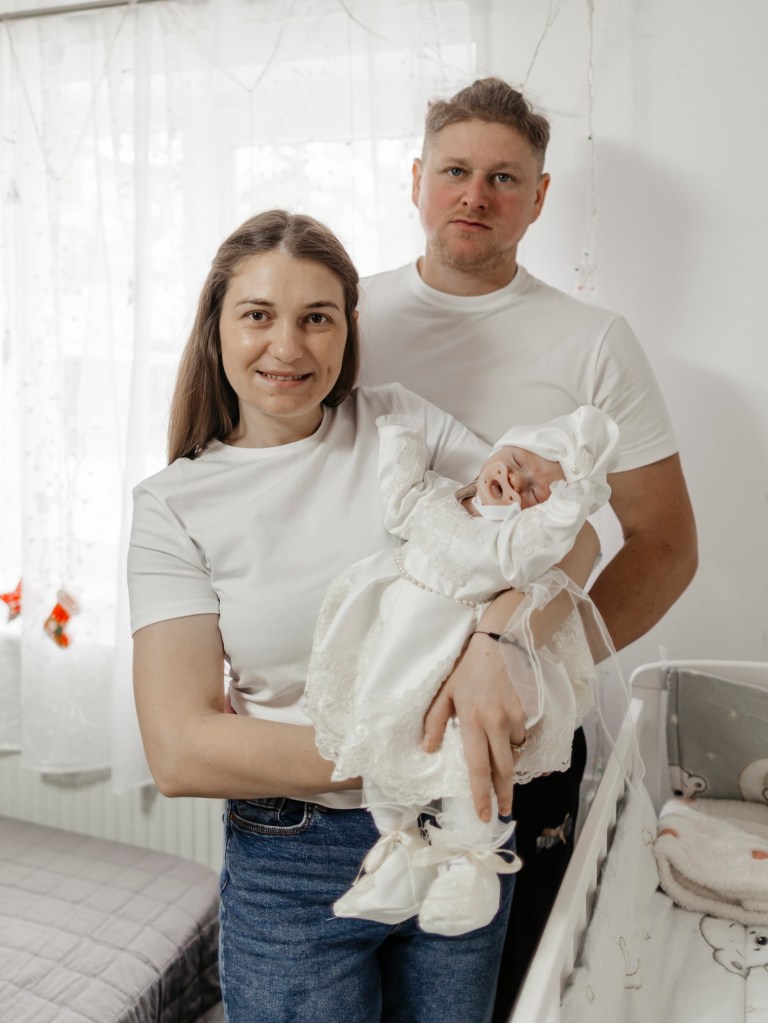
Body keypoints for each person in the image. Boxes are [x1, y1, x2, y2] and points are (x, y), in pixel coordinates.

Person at [127, 209, 600, 1023]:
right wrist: (424, 748)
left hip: (460, 837)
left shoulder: (398, 424)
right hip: (296, 857)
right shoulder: (174, 506)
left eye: (317, 317)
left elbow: (573, 541)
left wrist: (495, 643)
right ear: (215, 327)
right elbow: (182, 750)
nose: (288, 346)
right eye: (258, 315)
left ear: (348, 327)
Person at [357, 77, 698, 1015]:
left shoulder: (594, 343)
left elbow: (665, 545)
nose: (476, 195)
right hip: (362, 729)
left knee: (500, 996)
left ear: (540, 197)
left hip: (519, 758)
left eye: (504, 178)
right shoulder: (345, 318)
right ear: (415, 180)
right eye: (455, 171)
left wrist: (533, 664)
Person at [304, 405, 619, 939]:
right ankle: (400, 849)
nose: (515, 481)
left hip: (451, 660)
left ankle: (471, 863)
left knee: (462, 756)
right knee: (380, 738)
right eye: (514, 461)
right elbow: (400, 501)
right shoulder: (440, 497)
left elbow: (549, 543)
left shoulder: (511, 541)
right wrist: (402, 436)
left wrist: (568, 501)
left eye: (535, 489)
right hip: (397, 652)